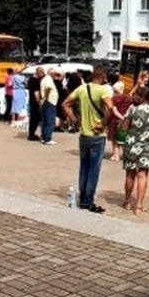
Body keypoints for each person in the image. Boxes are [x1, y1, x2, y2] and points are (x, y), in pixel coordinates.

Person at [62, 66, 113, 213]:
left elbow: (65, 104)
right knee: (93, 169)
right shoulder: (103, 90)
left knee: (83, 167)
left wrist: (74, 119)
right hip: (97, 135)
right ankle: (87, 200)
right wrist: (104, 123)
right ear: (102, 77)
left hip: (83, 134)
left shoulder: (81, 89)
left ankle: (82, 197)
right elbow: (110, 106)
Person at [122, 86, 149, 215]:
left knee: (130, 174)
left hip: (132, 144)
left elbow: (124, 127)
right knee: (142, 175)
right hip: (147, 145)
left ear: (140, 97)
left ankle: (128, 201)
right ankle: (139, 205)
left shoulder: (132, 109)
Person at [108, 81, 131, 159]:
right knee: (124, 138)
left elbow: (114, 111)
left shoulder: (113, 98)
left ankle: (116, 155)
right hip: (126, 120)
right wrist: (125, 117)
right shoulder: (128, 98)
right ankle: (126, 155)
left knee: (114, 139)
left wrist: (120, 117)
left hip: (115, 120)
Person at [40, 68, 60, 145]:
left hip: (48, 101)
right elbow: (48, 89)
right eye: (55, 74)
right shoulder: (48, 80)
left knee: (45, 120)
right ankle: (48, 138)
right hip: (50, 102)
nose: (55, 75)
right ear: (52, 74)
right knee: (49, 120)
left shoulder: (46, 79)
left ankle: (44, 137)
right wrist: (46, 98)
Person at [27, 67, 44, 141]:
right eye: (42, 73)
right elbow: (36, 93)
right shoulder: (36, 81)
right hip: (35, 102)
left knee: (33, 119)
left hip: (31, 101)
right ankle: (32, 135)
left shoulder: (30, 80)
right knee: (35, 119)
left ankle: (31, 134)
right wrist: (39, 103)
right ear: (39, 73)